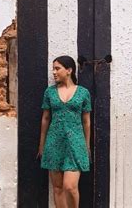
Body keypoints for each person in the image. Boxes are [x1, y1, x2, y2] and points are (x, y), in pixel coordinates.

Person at [38, 55, 92, 208]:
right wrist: (42, 145)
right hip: (54, 142)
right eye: (53, 69)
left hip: (76, 144)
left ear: (69, 70)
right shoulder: (49, 92)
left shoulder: (83, 93)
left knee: (70, 186)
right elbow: (46, 119)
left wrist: (86, 146)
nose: (54, 72)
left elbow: (86, 121)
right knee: (57, 187)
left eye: (57, 68)